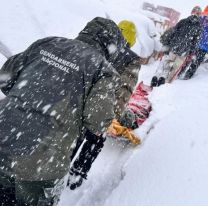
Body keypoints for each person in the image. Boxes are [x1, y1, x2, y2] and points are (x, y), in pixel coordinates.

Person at [0, 17, 140, 205]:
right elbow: (98, 121)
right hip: (41, 163)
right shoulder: (102, 69)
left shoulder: (48, 43)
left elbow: (5, 78)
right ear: (112, 47)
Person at [151, 6, 202, 87]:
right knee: (174, 68)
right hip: (183, 50)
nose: (196, 14)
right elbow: (195, 41)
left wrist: (168, 43)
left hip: (175, 47)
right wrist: (191, 52)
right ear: (199, 15)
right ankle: (164, 83)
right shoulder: (198, 26)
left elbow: (173, 32)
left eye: (196, 12)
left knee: (167, 63)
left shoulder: (183, 21)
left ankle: (158, 78)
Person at [183, 6, 208, 79]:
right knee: (187, 59)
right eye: (206, 14)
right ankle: (180, 72)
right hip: (194, 44)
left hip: (204, 48)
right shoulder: (200, 19)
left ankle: (187, 76)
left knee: (195, 63)